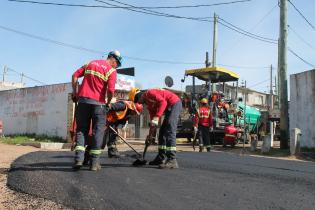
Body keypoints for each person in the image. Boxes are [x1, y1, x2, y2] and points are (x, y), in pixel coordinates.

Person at [72, 50, 122, 171]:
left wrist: (75, 93)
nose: (117, 66)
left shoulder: (90, 63)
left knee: (81, 131)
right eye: (118, 64)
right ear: (114, 60)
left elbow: (74, 76)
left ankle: (79, 159)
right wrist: (108, 102)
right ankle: (94, 163)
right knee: (98, 132)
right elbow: (110, 91)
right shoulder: (111, 70)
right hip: (98, 105)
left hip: (83, 102)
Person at [129, 88, 182, 169]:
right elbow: (153, 122)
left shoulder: (150, 93)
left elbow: (163, 102)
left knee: (170, 129)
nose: (138, 103)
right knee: (162, 132)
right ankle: (161, 158)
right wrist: (150, 135)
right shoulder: (149, 105)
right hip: (169, 108)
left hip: (175, 103)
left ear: (139, 96)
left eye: (137, 100)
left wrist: (157, 117)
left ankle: (172, 160)